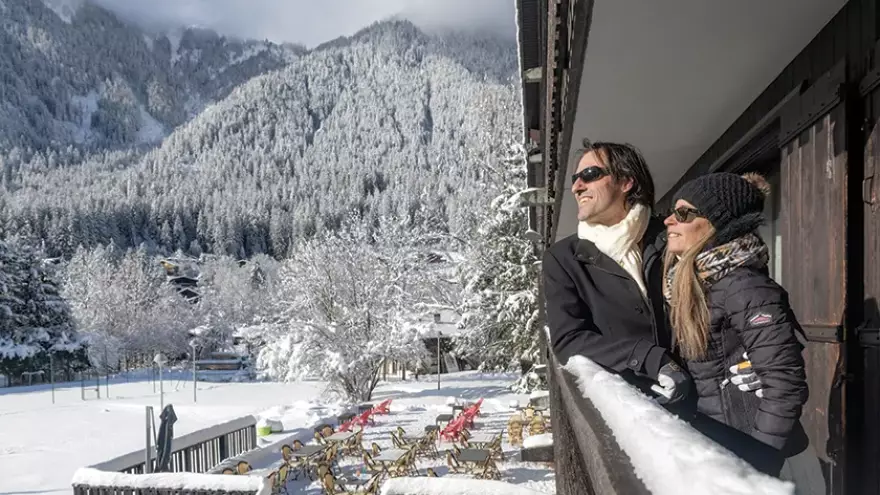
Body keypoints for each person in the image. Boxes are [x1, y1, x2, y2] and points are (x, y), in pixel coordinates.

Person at [662, 171, 810, 477]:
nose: (668, 220)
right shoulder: (698, 284)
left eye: (683, 213)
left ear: (717, 224)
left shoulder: (743, 286)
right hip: (723, 444)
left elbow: (784, 384)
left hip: (752, 452)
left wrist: (758, 462)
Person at [542, 141, 692, 403]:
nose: (577, 187)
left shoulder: (670, 238)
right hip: (635, 408)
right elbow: (569, 341)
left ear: (626, 182)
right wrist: (648, 358)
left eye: (590, 175)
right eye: (575, 179)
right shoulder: (563, 259)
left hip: (709, 398)